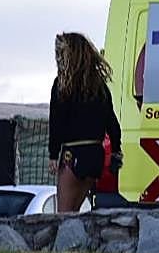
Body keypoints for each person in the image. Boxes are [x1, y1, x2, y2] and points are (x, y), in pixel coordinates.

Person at [48, 32, 122, 212]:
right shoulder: (99, 87)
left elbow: (56, 123)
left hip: (73, 153)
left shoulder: (62, 86)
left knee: (64, 214)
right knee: (76, 210)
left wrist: (52, 154)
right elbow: (112, 123)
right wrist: (116, 151)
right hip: (95, 155)